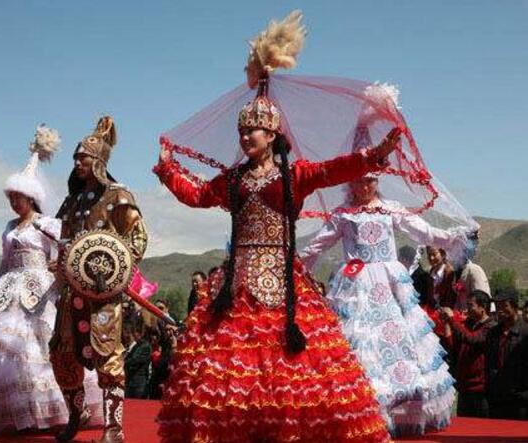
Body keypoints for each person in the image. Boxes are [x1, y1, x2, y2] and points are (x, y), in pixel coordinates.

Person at [154, 12, 399, 442]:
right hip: (237, 284)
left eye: (254, 131)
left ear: (272, 135)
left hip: (285, 287)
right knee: (227, 371)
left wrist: (371, 157)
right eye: (243, 131)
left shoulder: (294, 176)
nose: (246, 137)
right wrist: (169, 170)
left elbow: (334, 169)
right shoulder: (232, 181)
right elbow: (196, 195)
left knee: (292, 369)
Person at [301, 170, 471, 435]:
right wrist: (294, 267)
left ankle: (400, 414)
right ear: (350, 182)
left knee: (399, 343)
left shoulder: (390, 209)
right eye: (358, 178)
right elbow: (317, 245)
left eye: (369, 179)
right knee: (361, 345)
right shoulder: (343, 214)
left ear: (377, 181)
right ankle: (359, 412)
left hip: (391, 286)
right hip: (356, 286)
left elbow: (423, 231)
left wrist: (454, 238)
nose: (364, 184)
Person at [0, 125, 76, 433]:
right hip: (8, 288)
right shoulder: (9, 227)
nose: (14, 203)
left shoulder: (47, 224)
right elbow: (4, 263)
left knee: (37, 345)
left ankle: (49, 409)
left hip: (39, 290)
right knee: (4, 345)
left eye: (19, 197)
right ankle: (14, 412)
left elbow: (62, 255)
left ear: (31, 198)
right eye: (11, 197)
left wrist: (56, 270)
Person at [50, 116, 149, 443]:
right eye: (76, 157)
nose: (77, 162)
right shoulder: (72, 201)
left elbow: (137, 239)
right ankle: (74, 418)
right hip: (70, 294)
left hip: (103, 296)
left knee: (109, 359)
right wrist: (60, 265)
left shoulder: (119, 197)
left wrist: (116, 269)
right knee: (63, 356)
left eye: (83, 157)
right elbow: (65, 241)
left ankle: (113, 431)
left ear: (99, 162)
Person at [439, 290, 495, 418]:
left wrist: (453, 320)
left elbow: (472, 339)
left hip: (480, 388)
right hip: (464, 385)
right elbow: (453, 347)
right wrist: (447, 322)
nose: (467, 309)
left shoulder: (490, 326)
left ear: (483, 307)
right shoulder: (468, 324)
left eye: (471, 305)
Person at [485, 289, 528, 420]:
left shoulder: (526, 333)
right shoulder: (493, 333)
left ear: (515, 307)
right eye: (497, 306)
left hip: (520, 400)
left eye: (504, 306)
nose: (500, 310)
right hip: (497, 398)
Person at [123, 318, 151, 399]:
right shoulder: (136, 346)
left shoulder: (145, 346)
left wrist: (122, 362)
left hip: (139, 384)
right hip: (130, 382)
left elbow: (134, 360)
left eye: (135, 332)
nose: (134, 335)